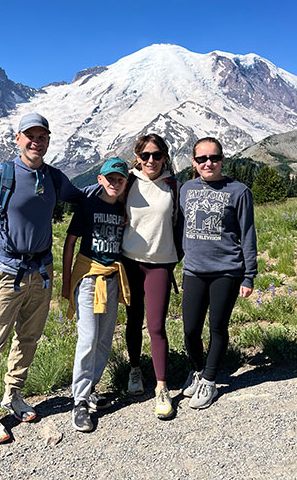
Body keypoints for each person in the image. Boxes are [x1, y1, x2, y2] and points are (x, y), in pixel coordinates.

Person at [0, 112, 83, 444]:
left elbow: (81, 196)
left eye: (42, 137)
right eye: (30, 136)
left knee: (29, 339)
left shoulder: (53, 177)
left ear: (48, 141)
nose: (36, 142)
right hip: (6, 271)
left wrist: (115, 180)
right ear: (18, 139)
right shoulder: (0, 177)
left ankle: (13, 395)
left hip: (42, 272)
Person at [178, 137, 257, 410]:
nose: (208, 163)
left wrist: (249, 275)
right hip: (193, 271)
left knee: (217, 327)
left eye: (213, 158)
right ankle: (197, 370)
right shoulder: (185, 189)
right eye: (202, 159)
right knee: (190, 330)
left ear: (222, 160)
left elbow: (248, 234)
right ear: (194, 162)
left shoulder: (239, 191)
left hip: (227, 271)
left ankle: (210, 380)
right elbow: (179, 228)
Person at [61, 158, 131, 433]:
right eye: (110, 178)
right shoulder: (88, 205)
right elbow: (70, 242)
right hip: (89, 278)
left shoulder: (125, 209)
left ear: (126, 183)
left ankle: (90, 388)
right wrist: (67, 282)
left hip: (113, 277)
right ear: (100, 179)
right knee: (88, 338)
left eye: (120, 179)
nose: (115, 183)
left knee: (104, 339)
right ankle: (78, 401)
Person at [121, 133, 179, 420]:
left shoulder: (172, 185)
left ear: (165, 157)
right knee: (133, 320)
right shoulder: (128, 182)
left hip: (160, 264)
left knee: (156, 326)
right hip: (130, 262)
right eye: (145, 156)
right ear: (138, 157)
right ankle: (134, 368)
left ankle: (161, 386)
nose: (151, 161)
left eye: (157, 155)